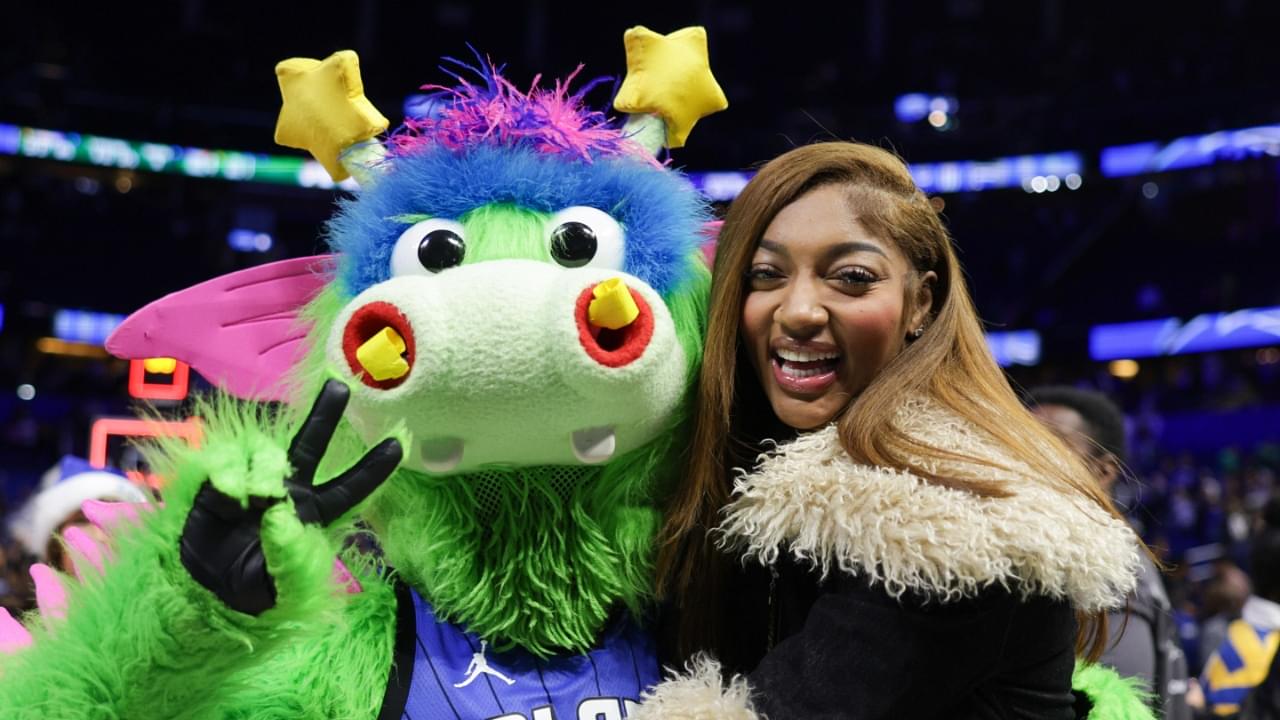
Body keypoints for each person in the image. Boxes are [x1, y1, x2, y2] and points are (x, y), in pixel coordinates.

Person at [641, 142, 1146, 719]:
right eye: (766, 275)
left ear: (920, 304)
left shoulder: (954, 522)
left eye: (852, 278)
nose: (799, 309)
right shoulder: (757, 477)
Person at [1029, 385, 1193, 719]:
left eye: (1050, 445)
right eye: (1021, 441)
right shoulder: (1050, 547)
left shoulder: (1105, 566)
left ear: (1103, 472)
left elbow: (1111, 710)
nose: (1027, 456)